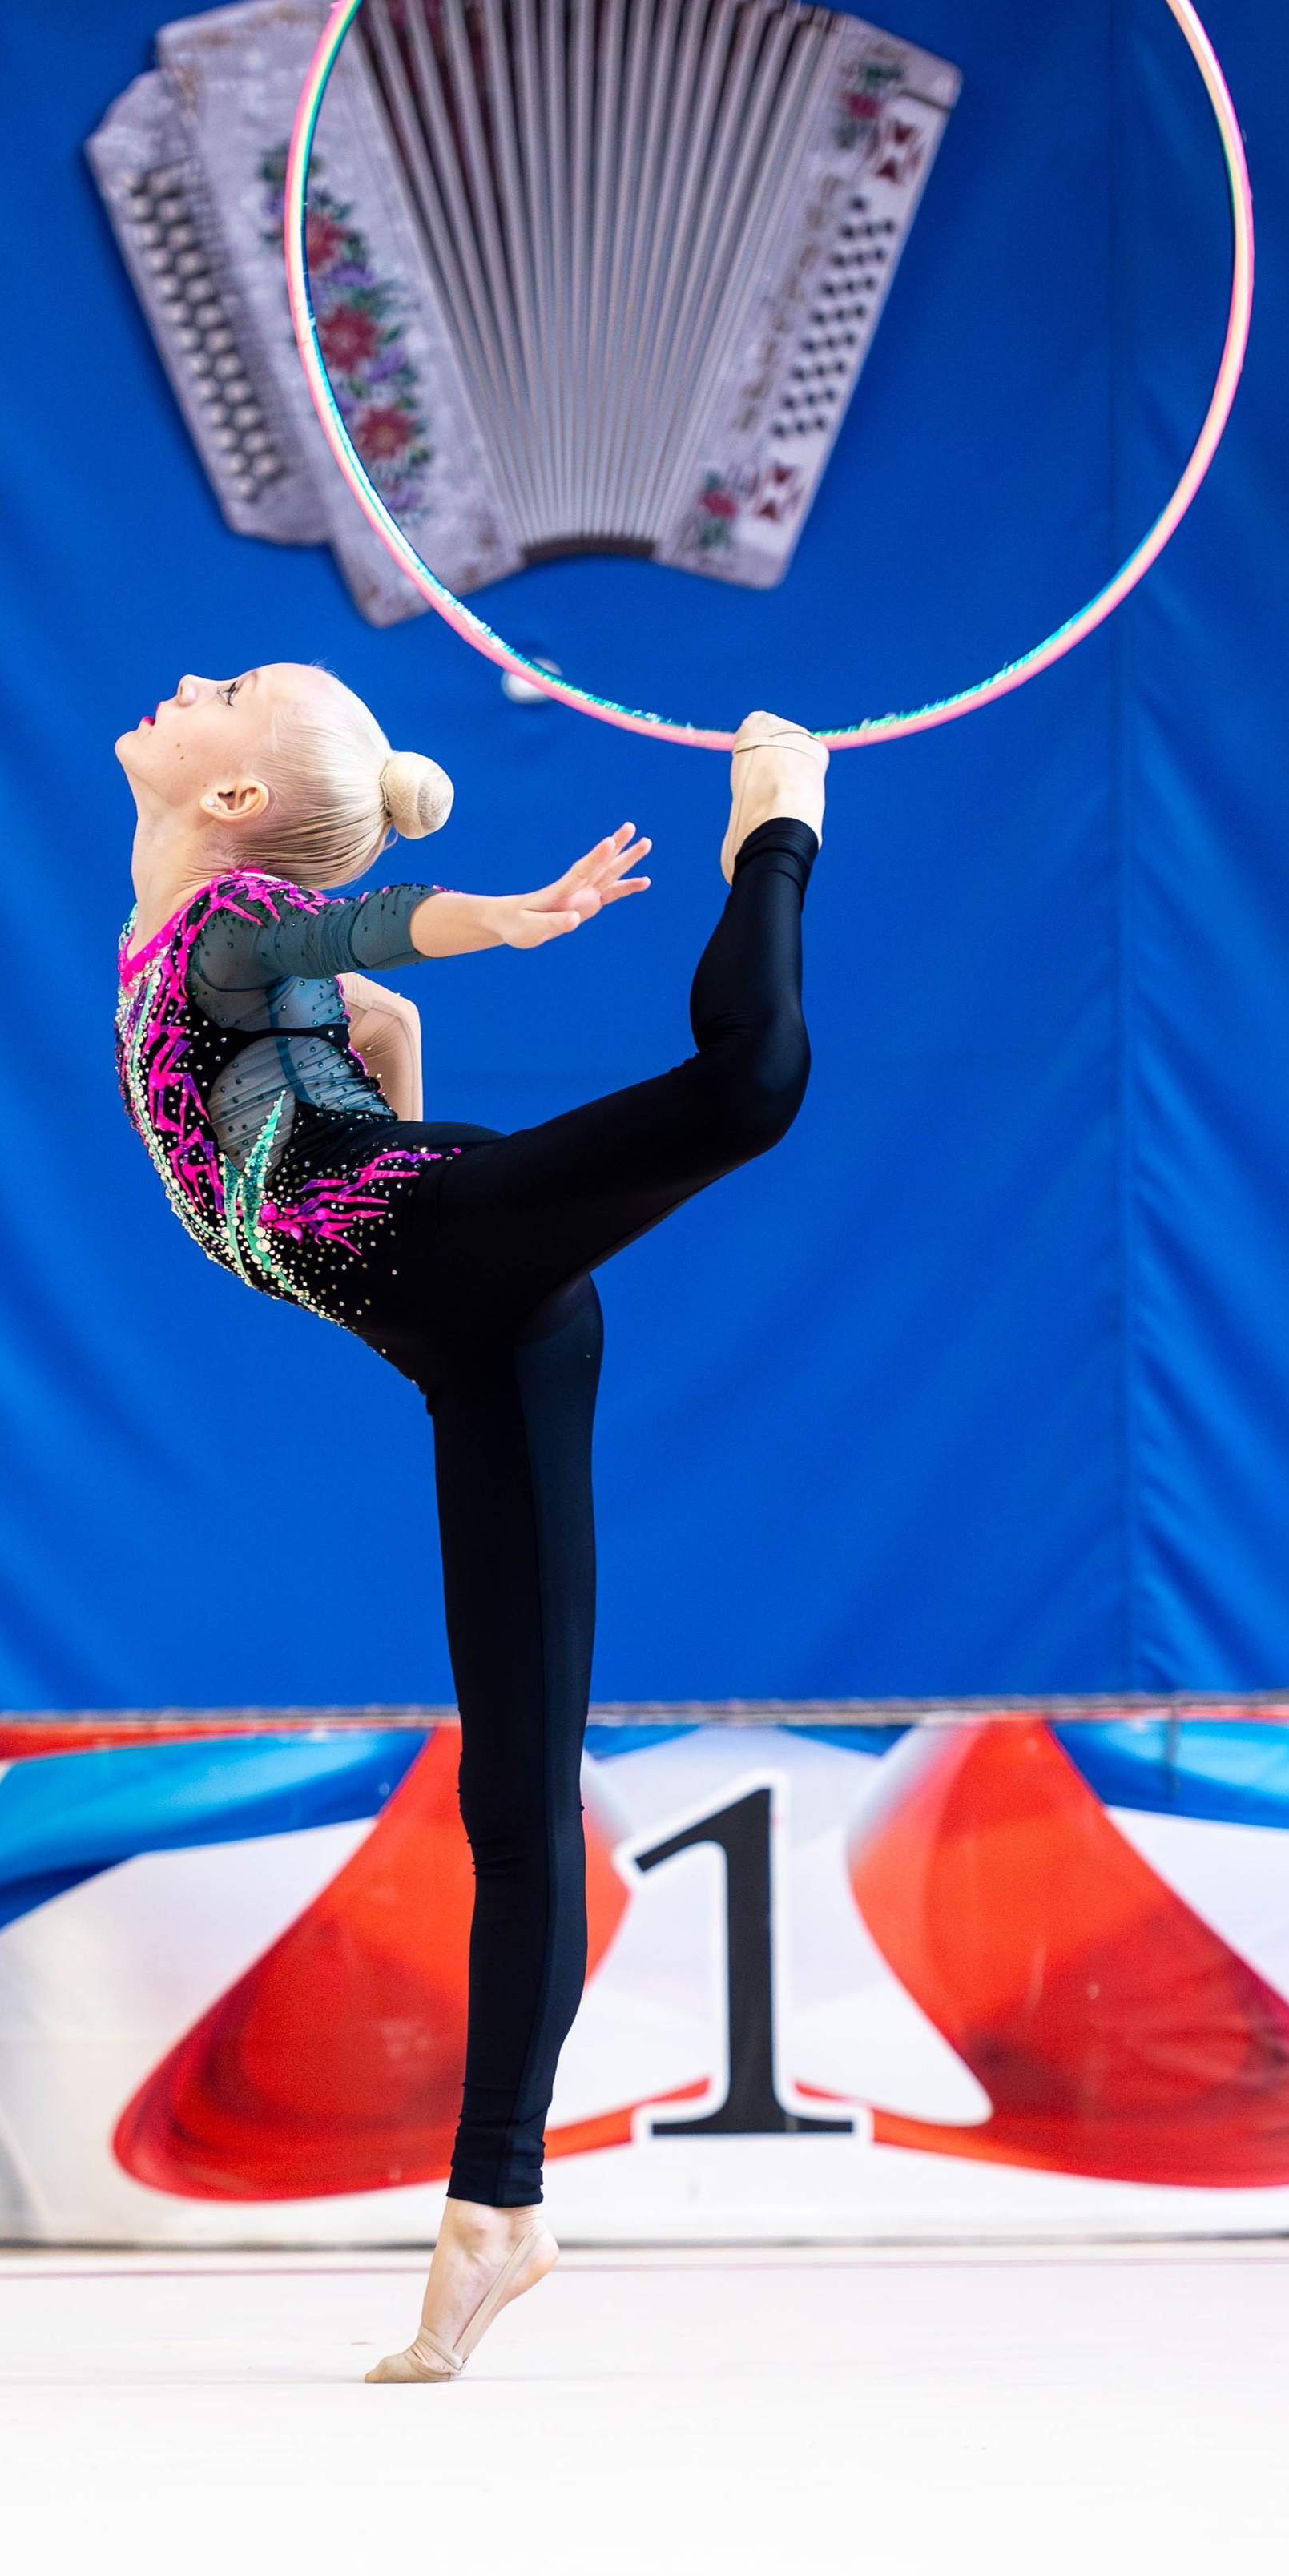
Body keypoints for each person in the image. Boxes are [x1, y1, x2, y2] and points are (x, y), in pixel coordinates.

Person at [114, 662, 825, 2381]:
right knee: (513, 1783)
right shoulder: (197, 941)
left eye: (223, 690)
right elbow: (347, 1014)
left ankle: (777, 834)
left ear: (229, 808)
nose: (189, 682)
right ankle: (494, 2211)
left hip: (440, 1243)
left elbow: (332, 935)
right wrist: (392, 1030)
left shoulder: (228, 918)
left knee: (745, 1088)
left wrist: (482, 922)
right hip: (461, 1314)